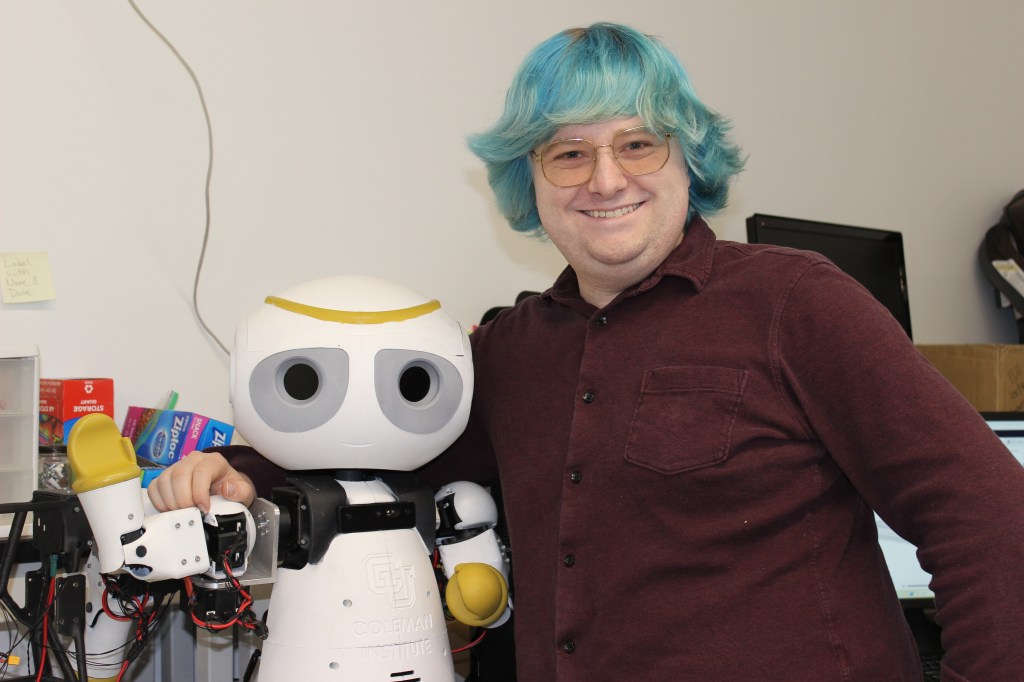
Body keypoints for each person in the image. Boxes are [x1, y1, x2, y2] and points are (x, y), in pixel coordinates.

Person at [151, 22, 1024, 681]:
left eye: (636, 143)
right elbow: (390, 451)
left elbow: (986, 517)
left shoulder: (797, 300)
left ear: (690, 158)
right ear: (528, 183)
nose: (605, 180)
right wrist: (240, 471)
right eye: (568, 154)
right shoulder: (508, 351)